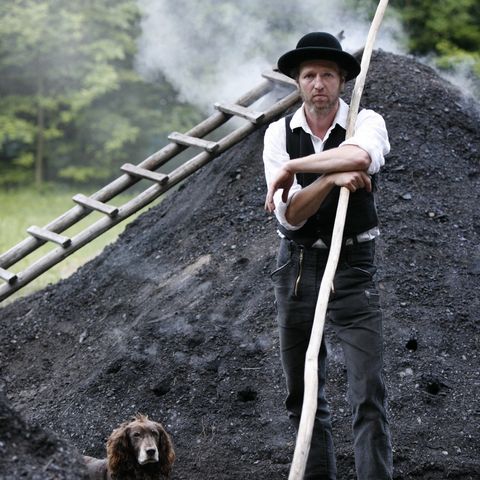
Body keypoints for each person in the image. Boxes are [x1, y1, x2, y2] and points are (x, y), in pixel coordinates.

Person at [263, 32, 393, 480]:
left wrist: (295, 169)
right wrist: (330, 180)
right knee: (303, 391)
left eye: (328, 75)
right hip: (298, 269)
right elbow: (292, 217)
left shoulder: (366, 119)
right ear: (298, 83)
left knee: (367, 390)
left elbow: (359, 156)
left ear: (341, 81)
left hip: (354, 269)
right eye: (309, 75)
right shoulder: (278, 134)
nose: (319, 83)